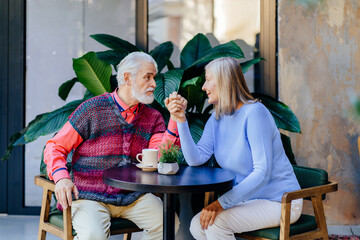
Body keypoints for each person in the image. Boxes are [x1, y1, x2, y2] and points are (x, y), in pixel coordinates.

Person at [44, 52, 180, 240]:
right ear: (127, 78)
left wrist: (175, 120)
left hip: (133, 196)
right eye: (148, 77)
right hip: (89, 196)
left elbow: (159, 156)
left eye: (154, 77)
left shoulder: (153, 117)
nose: (154, 84)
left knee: (169, 224)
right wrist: (61, 178)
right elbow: (55, 146)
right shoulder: (91, 109)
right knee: (94, 235)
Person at [165, 57, 303, 240]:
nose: (204, 86)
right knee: (198, 225)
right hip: (249, 200)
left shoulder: (255, 113)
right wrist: (181, 120)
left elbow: (262, 173)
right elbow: (195, 159)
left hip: (280, 201)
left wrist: (220, 204)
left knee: (216, 224)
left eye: (208, 79)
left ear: (224, 80)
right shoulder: (217, 118)